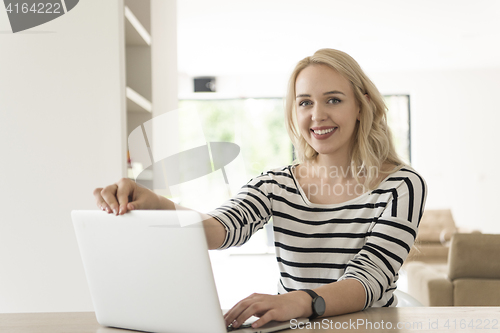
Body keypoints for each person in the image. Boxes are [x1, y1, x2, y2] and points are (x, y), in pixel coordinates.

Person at [93, 48, 427, 329]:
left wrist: (297, 301)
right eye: (305, 103)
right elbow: (223, 229)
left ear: (361, 106)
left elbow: (370, 280)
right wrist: (156, 204)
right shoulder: (276, 183)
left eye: (333, 100)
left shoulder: (400, 185)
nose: (317, 115)